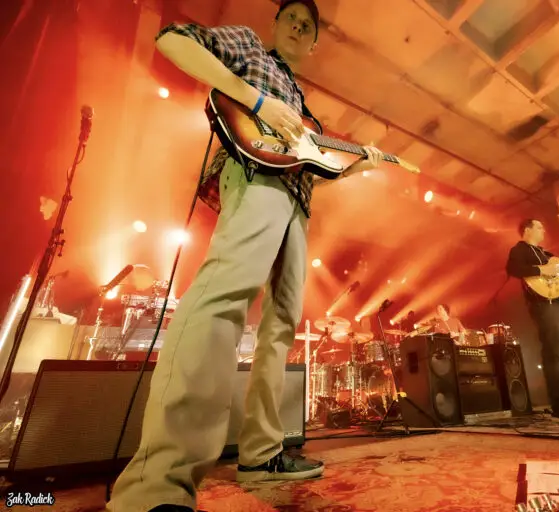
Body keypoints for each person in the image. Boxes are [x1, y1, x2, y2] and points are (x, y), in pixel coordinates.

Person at [107, 1, 384, 510]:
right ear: (275, 25)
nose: (298, 26)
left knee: (281, 329)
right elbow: (172, 40)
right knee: (222, 299)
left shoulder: (304, 107)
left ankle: (262, 453)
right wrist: (257, 100)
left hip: (297, 204)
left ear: (314, 44)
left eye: (308, 26)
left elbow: (310, 168)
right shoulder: (252, 50)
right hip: (257, 181)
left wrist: (359, 165)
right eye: (292, 18)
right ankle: (157, 485)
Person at [506, 219, 559, 422]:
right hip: (543, 304)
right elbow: (513, 269)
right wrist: (542, 270)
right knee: (553, 353)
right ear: (527, 230)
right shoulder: (519, 250)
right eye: (539, 227)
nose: (544, 230)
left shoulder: (547, 254)